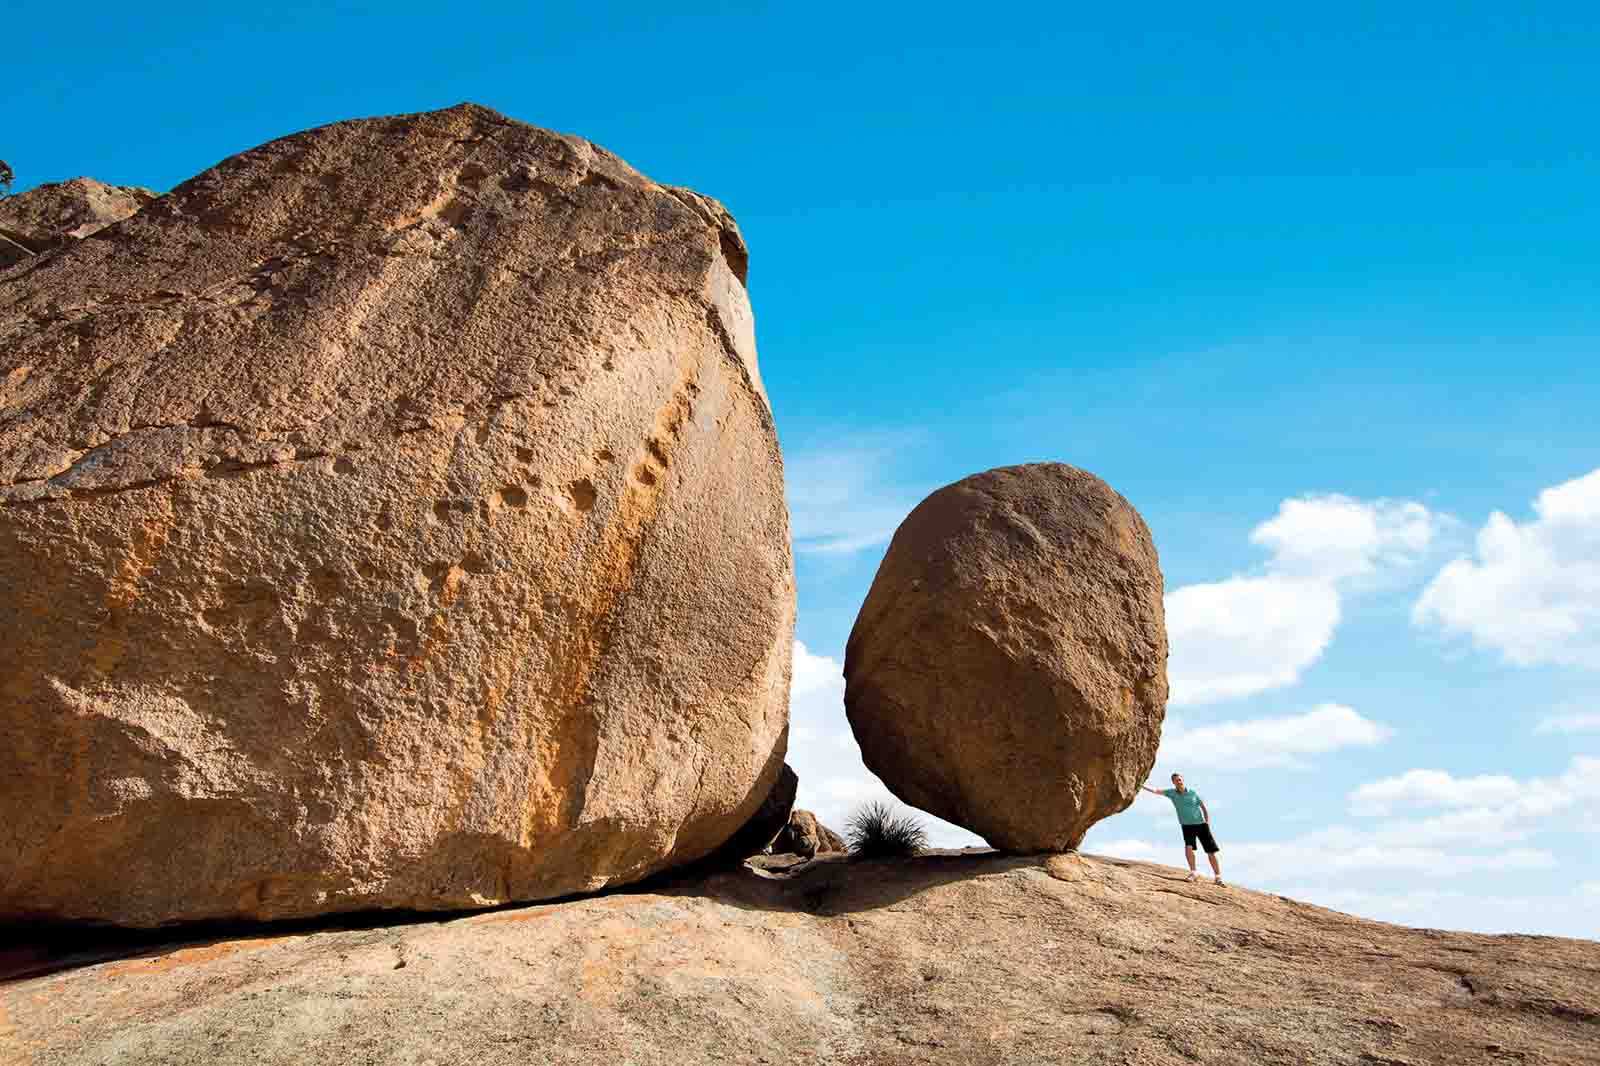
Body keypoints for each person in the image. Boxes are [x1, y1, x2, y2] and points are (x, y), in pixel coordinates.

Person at [1141, 772, 1223, 885]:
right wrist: (1141, 784)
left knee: (1210, 851)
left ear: (1182, 780)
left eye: (1179, 779)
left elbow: (1203, 807)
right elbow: (1155, 790)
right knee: (1188, 847)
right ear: (1173, 782)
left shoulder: (1192, 793)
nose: (1178, 781)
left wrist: (1207, 823)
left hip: (1201, 825)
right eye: (1175, 780)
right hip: (1187, 826)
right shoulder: (1171, 793)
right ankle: (1194, 873)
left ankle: (1218, 877)